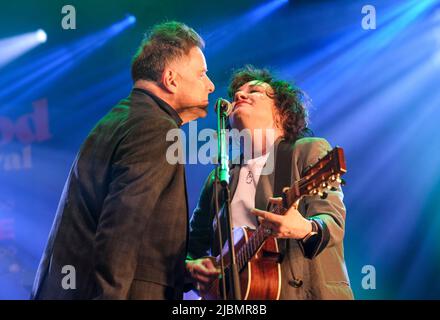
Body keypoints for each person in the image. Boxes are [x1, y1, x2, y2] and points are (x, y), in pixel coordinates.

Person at [31, 21, 215, 300]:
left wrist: (181, 270)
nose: (211, 86)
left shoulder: (120, 119)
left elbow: (131, 237)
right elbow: (121, 231)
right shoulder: (156, 128)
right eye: (202, 74)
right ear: (171, 79)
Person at [185, 65, 354, 299]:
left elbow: (332, 222)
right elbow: (191, 247)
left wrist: (304, 228)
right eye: (236, 94)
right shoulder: (219, 178)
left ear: (282, 113)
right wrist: (191, 267)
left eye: (254, 91)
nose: (239, 95)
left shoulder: (307, 151)